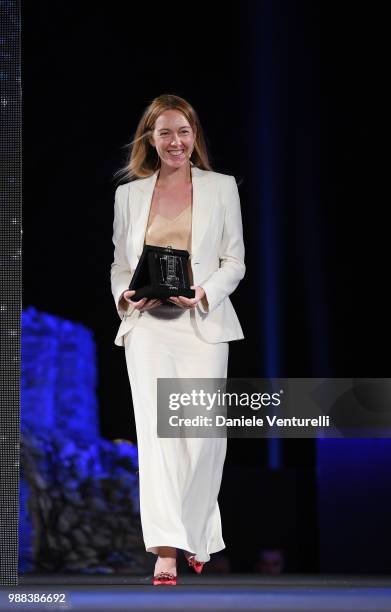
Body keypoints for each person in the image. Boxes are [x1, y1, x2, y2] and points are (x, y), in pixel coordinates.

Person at [110, 94, 245, 585]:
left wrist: (203, 293)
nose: (175, 142)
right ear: (151, 138)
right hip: (148, 328)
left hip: (202, 324)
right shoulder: (130, 194)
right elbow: (120, 265)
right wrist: (126, 296)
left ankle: (200, 530)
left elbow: (235, 261)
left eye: (183, 132)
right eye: (164, 132)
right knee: (158, 436)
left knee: (203, 436)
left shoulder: (221, 187)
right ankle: (166, 549)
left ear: (195, 137)